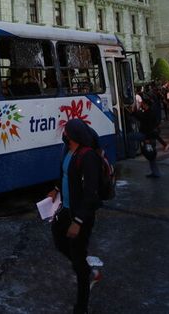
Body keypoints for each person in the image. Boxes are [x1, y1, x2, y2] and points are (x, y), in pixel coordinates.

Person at [48, 119, 103, 314]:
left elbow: (91, 194)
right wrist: (55, 189)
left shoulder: (88, 157)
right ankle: (87, 269)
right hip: (66, 209)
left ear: (73, 135)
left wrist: (78, 222)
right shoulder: (68, 151)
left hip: (81, 216)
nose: (63, 133)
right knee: (58, 239)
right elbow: (65, 174)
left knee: (78, 260)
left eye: (66, 131)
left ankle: (82, 307)